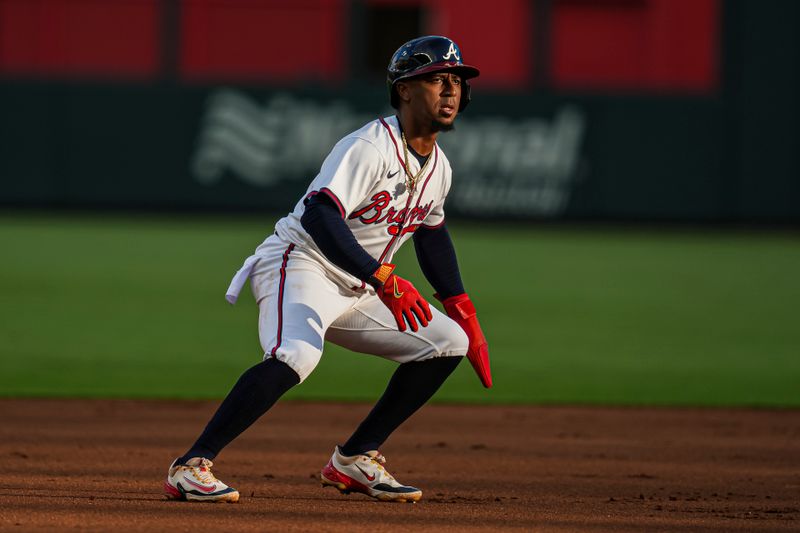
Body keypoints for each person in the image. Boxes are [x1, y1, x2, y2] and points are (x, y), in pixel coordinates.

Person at [163, 35, 491, 504]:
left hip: (358, 284)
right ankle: (190, 465)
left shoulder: (439, 166)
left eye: (457, 80)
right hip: (300, 262)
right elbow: (320, 214)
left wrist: (461, 305)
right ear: (404, 90)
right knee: (296, 354)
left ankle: (355, 459)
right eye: (438, 79)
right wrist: (383, 278)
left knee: (446, 343)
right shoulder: (369, 146)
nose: (451, 90)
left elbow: (432, 233)